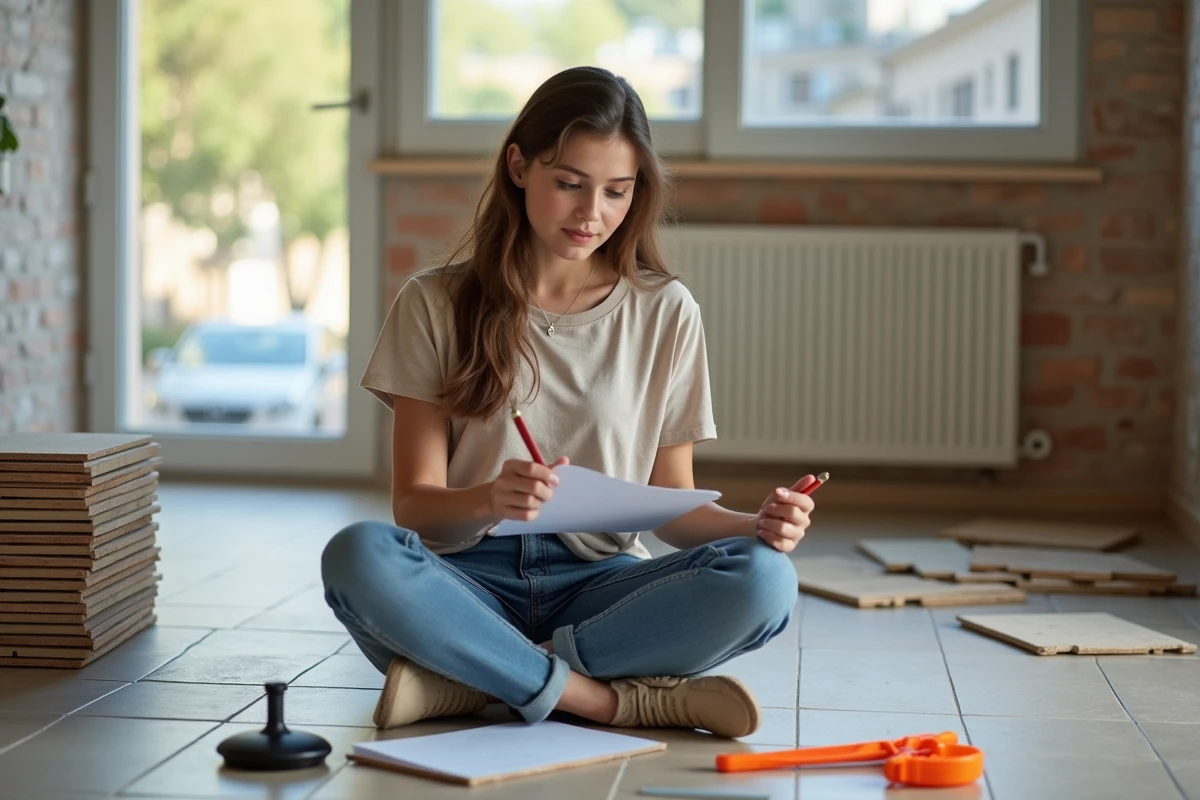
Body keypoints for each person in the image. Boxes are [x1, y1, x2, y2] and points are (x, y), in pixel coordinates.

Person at [321, 65, 816, 739]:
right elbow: (415, 507)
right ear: (519, 167)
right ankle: (608, 701)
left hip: (601, 586)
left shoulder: (666, 311)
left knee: (765, 582)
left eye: (617, 192)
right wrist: (489, 499)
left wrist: (756, 526)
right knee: (358, 555)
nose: (593, 215)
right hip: (464, 585)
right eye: (569, 184)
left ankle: (467, 682)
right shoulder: (434, 302)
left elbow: (674, 506)